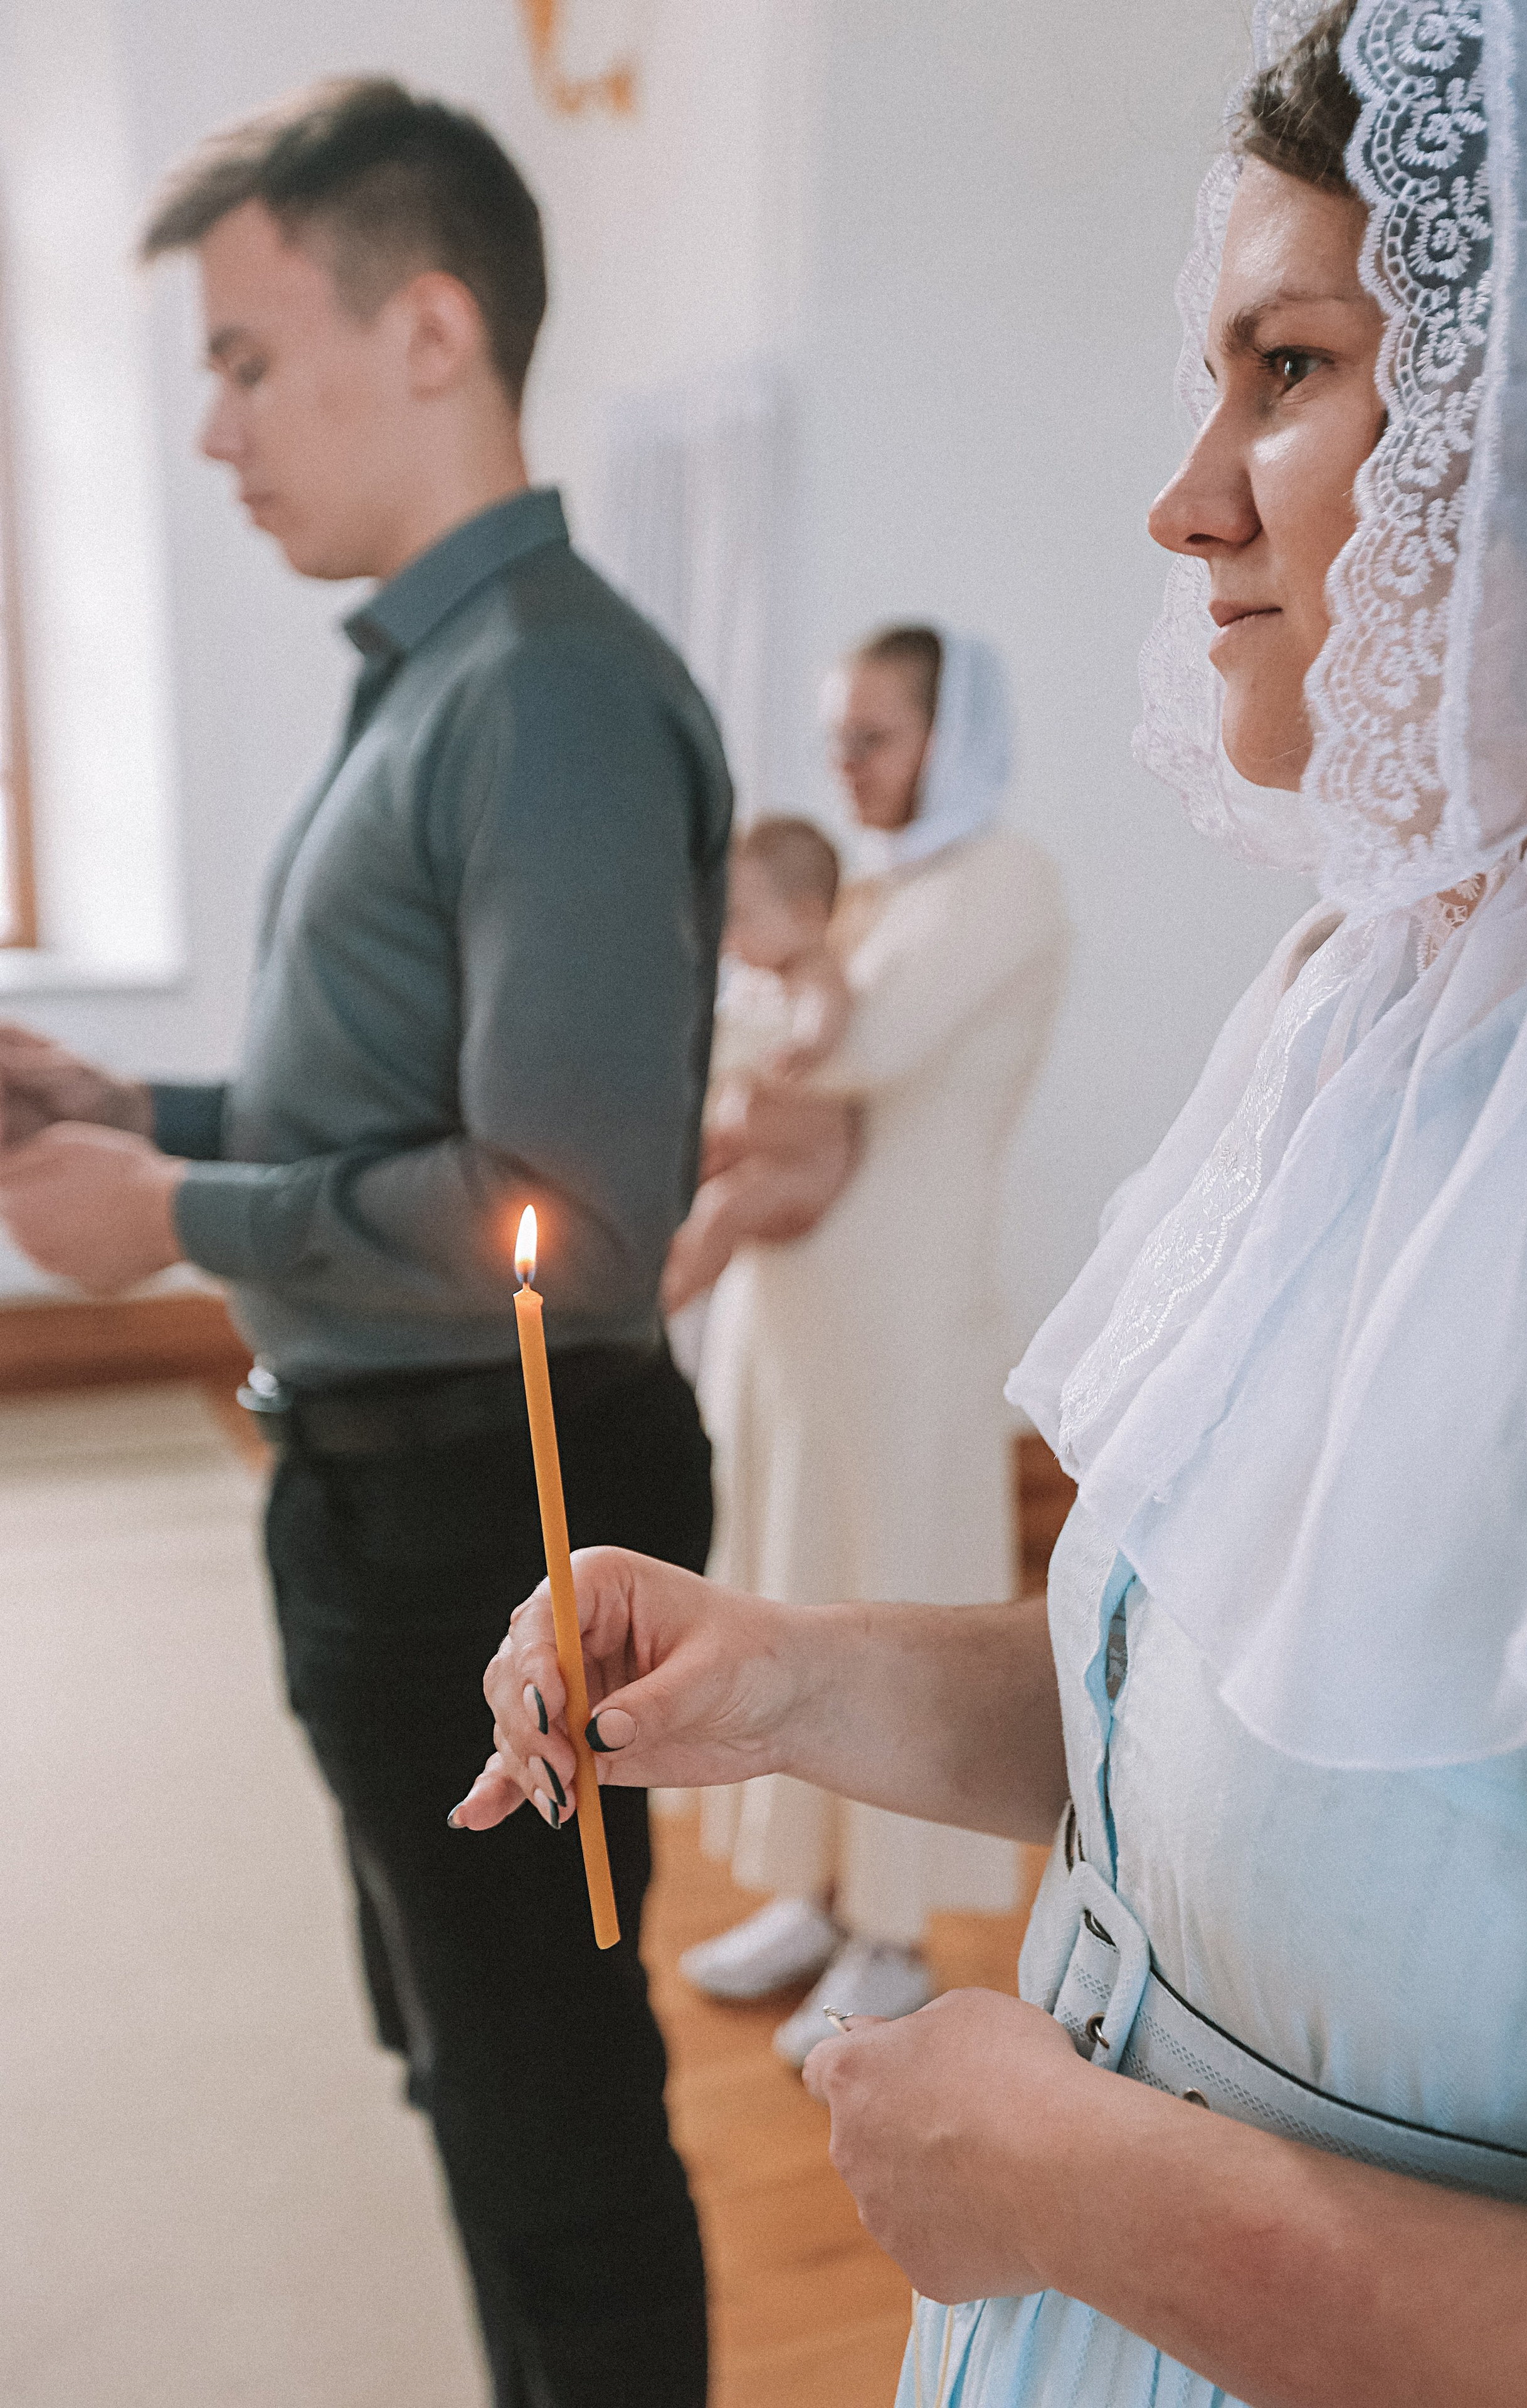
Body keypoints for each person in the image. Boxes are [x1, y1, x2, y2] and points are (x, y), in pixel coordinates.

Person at [455, 3, 1527, 2400]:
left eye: (1283, 372)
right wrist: (790, 1675)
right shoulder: (1369, 1006)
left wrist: (1094, 2190)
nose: (1183, 498)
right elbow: (1188, 1712)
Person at [0, 82, 727, 2408]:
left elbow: (581, 1225)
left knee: (545, 2114)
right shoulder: (437, 678)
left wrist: (180, 1215)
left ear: (426, 329)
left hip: (492, 1508)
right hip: (384, 1487)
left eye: (237, 356)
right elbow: (385, 1123)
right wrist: (145, 1111)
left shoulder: (551, 699)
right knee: (462, 2057)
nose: (209, 431)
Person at [679, 628, 1067, 2064]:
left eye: (874, 735)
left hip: (906, 1308)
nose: (843, 765)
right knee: (785, 1580)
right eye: (834, 735)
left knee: (895, 1596)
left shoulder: (1001, 882)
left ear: (946, 731)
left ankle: (893, 1927)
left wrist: (749, 1014)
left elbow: (835, 1051)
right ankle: (804, 1884)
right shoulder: (865, 890)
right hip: (790, 1303)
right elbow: (752, 1030)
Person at [661, 815, 857, 1316]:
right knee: (690, 1182)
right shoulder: (755, 983)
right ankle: (655, 1273)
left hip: (804, 1171)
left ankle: (668, 1299)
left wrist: (808, 1044)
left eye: (741, 917)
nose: (727, 935)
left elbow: (827, 1007)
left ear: (808, 917)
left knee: (723, 1209)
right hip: (752, 1154)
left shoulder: (813, 971)